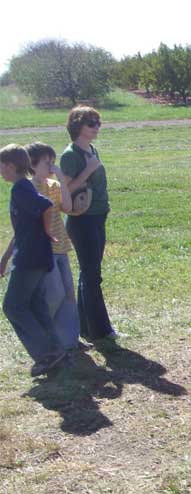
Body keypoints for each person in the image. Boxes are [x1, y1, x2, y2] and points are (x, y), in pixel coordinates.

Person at [0, 144, 66, 377]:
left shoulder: (20, 188)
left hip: (30, 258)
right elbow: (23, 228)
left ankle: (46, 353)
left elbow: (46, 206)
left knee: (13, 306)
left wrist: (47, 231)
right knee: (35, 305)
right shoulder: (23, 187)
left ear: (10, 165)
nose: (0, 171)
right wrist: (5, 258)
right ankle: (56, 349)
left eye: (1, 166)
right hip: (33, 255)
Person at [60, 106, 118, 341]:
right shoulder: (71, 155)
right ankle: (101, 331)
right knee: (92, 275)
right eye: (91, 123)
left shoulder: (91, 149)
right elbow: (64, 191)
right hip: (82, 220)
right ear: (78, 126)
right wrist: (87, 171)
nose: (96, 127)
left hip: (97, 215)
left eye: (98, 122)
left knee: (89, 273)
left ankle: (85, 328)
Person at [26, 142, 85, 355]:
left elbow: (67, 208)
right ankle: (50, 338)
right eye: (46, 162)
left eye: (53, 161)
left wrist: (61, 180)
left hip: (61, 245)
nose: (52, 166)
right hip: (45, 249)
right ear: (32, 165)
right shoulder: (29, 187)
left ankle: (70, 340)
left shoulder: (53, 185)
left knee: (68, 292)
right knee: (54, 294)